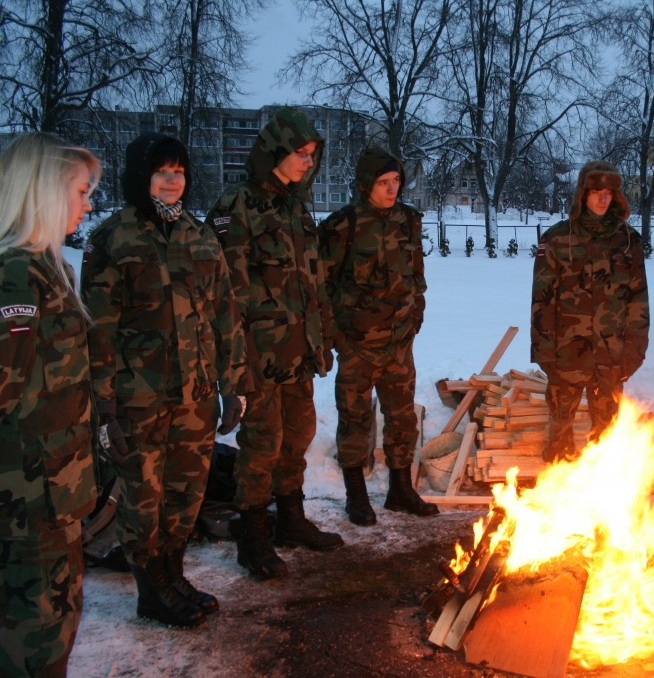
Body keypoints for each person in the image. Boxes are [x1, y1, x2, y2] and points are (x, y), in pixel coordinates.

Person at [80, 133, 251, 627]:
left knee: (186, 494)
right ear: (142, 177)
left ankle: (173, 576)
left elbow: (224, 314)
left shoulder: (199, 236)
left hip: (195, 396)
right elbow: (98, 332)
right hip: (139, 400)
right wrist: (103, 407)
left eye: (179, 172)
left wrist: (232, 384)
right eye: (161, 172)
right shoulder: (113, 240)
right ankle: (150, 590)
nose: (172, 181)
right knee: (143, 498)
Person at [206, 108, 342, 578]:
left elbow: (314, 282)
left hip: (298, 352)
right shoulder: (236, 206)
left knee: (298, 436)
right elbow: (224, 293)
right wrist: (235, 361)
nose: (308, 162)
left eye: (312, 155)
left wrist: (322, 337)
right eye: (301, 153)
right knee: (261, 445)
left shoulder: (297, 209)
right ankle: (253, 535)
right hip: (258, 355)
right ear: (275, 152)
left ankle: (290, 519)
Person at [0, 132, 101, 677]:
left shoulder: (48, 269)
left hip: (55, 493)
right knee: (35, 641)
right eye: (81, 191)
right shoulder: (15, 277)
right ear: (43, 191)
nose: (87, 204)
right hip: (25, 505)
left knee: (55, 629)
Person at [319, 144, 437, 526]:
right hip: (357, 345)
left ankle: (400, 490)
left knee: (402, 419)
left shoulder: (408, 221)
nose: (391, 188)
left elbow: (417, 277)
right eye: (383, 181)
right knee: (354, 419)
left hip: (399, 342)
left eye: (396, 180)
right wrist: (338, 336)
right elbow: (322, 286)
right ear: (365, 183)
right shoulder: (342, 226)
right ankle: (356, 495)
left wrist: (415, 317)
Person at [530, 160, 650, 462]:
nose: (603, 199)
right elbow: (542, 300)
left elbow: (638, 298)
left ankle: (601, 487)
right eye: (596, 192)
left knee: (607, 438)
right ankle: (556, 484)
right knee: (559, 435)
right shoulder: (558, 239)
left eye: (609, 192)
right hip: (566, 353)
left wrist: (635, 348)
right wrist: (544, 351)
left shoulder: (628, 241)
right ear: (583, 194)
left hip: (611, 354)